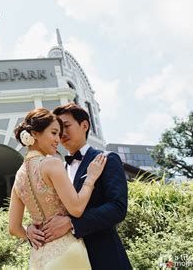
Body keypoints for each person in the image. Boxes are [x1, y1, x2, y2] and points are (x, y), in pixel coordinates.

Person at [26, 103, 132, 270]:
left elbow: (117, 208)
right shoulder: (56, 168)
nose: (62, 133)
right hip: (66, 259)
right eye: (58, 129)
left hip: (103, 256)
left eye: (66, 126)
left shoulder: (106, 159)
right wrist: (32, 228)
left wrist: (72, 223)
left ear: (84, 125)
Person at [8, 107, 107, 269]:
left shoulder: (18, 176)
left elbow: (13, 228)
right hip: (67, 252)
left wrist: (29, 232)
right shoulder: (52, 163)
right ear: (34, 134)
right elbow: (76, 209)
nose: (58, 139)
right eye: (53, 133)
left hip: (39, 258)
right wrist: (91, 178)